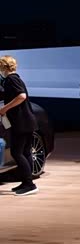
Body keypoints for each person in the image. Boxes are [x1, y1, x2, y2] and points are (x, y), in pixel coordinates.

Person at [0, 56, 39, 195]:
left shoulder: (11, 79)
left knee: (16, 152)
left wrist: (5, 108)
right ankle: (26, 182)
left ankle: (30, 184)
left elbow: (21, 96)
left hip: (21, 122)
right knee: (26, 152)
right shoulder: (16, 78)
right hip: (26, 121)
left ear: (4, 67)